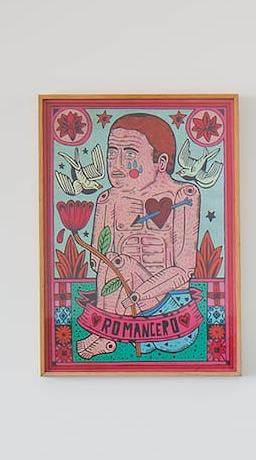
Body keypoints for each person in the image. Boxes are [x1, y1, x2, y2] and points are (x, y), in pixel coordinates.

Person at [72, 112, 200, 359]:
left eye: (129, 154)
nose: (116, 164)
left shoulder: (184, 196)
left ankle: (104, 336)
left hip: (167, 307)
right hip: (121, 307)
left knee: (116, 260)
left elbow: (184, 270)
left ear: (160, 162)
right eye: (112, 153)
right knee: (113, 259)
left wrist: (140, 294)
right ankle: (106, 335)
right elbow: (98, 262)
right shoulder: (108, 200)